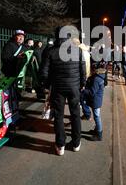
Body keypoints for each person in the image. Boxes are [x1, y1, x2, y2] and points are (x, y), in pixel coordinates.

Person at [39, 27, 86, 156]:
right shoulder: (78, 51)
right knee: (75, 114)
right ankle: (76, 143)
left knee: (58, 116)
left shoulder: (50, 51)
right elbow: (83, 71)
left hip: (58, 88)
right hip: (74, 87)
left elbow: (44, 72)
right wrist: (82, 84)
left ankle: (60, 146)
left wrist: (46, 86)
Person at [81, 62, 107, 141]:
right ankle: (96, 130)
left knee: (97, 117)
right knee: (97, 116)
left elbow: (92, 92)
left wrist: (83, 90)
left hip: (96, 101)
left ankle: (99, 135)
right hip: (97, 100)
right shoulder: (100, 76)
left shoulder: (96, 79)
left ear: (95, 70)